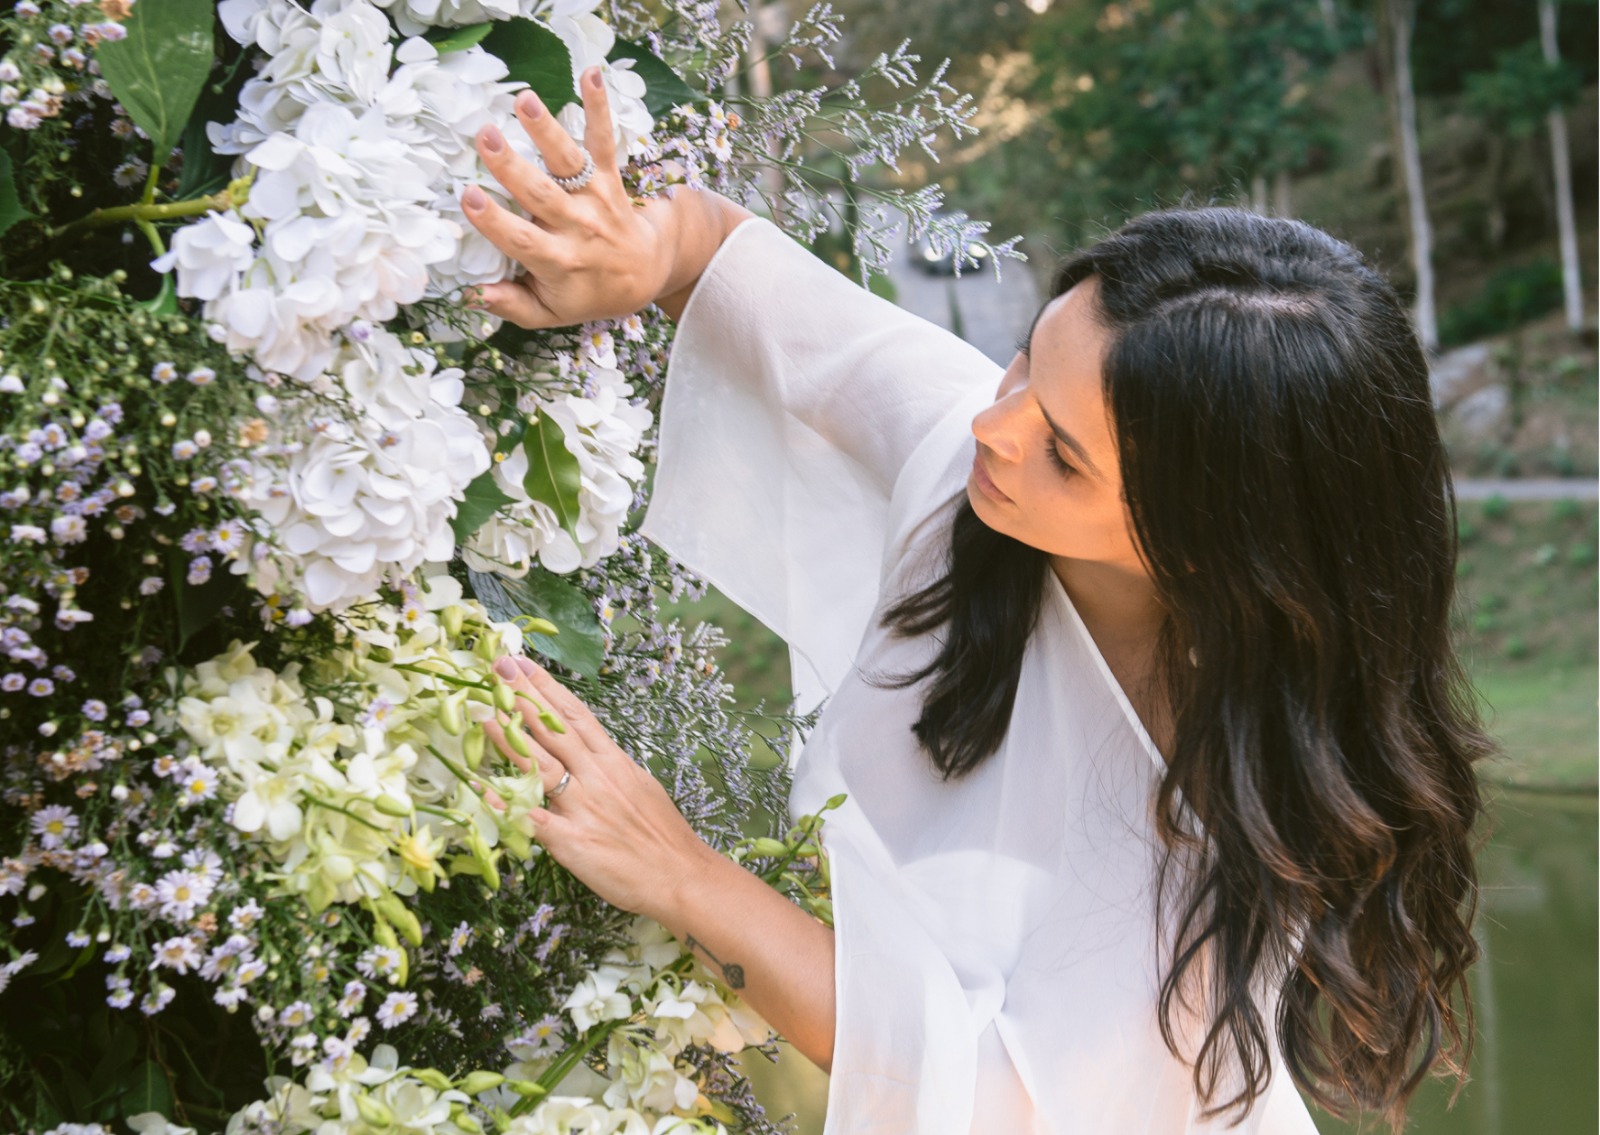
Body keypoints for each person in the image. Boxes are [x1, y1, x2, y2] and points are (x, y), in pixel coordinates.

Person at [459, 67, 1491, 1133]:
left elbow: (996, 1100)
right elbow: (723, 265)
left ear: (1208, 547)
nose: (990, 431)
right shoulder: (986, 462)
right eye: (1022, 366)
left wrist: (680, 874)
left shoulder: (1230, 836)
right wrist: (639, 248)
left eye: (1064, 454)